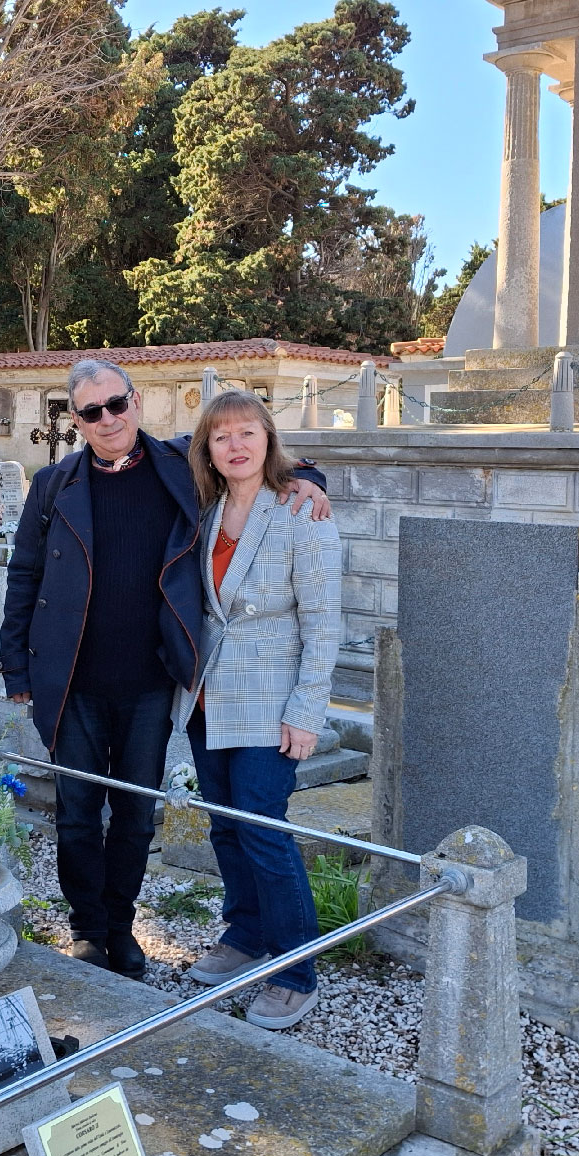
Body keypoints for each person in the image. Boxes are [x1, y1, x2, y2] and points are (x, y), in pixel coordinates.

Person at [0, 358, 330, 979]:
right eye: (92, 411)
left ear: (136, 401)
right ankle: (88, 929)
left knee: (135, 816)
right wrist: (15, 664)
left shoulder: (180, 465)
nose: (108, 419)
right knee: (76, 812)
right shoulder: (52, 484)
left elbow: (254, 455)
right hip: (72, 682)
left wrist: (309, 478)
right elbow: (25, 574)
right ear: (76, 420)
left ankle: (122, 928)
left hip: (151, 682)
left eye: (117, 404)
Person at [173, 388, 341, 1030]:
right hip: (207, 697)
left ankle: (296, 971)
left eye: (248, 432)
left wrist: (308, 709)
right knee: (224, 824)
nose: (235, 445)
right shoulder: (204, 508)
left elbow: (322, 620)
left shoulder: (300, 510)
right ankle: (246, 934)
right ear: (208, 450)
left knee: (263, 827)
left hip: (272, 702)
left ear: (269, 440)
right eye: (222, 436)